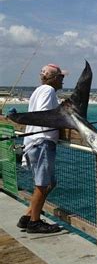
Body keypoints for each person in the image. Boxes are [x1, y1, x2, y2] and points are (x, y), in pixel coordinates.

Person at [17, 64, 68, 233]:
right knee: (42, 184)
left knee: (49, 183)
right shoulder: (48, 91)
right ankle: (34, 223)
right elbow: (44, 114)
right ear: (54, 78)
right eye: (61, 77)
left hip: (34, 140)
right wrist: (62, 122)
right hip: (42, 141)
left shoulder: (38, 90)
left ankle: (28, 216)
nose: (63, 80)